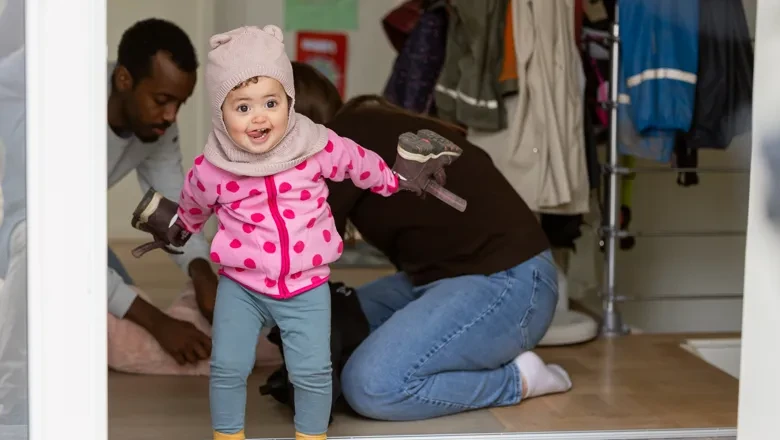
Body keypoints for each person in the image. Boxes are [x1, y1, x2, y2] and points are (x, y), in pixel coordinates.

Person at [146, 25, 446, 440]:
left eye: (271, 102)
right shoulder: (211, 169)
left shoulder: (316, 146)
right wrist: (179, 229)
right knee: (228, 366)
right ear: (220, 113)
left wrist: (395, 180)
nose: (259, 117)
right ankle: (227, 435)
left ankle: (311, 435)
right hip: (242, 286)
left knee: (312, 371)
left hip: (305, 285)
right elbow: (193, 207)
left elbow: (359, 163)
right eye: (243, 107)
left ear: (288, 100)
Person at [291, 61, 574, 422]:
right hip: (449, 278)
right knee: (339, 319)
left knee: (371, 386)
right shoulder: (366, 123)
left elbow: (296, 251)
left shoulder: (340, 141)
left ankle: (518, 380)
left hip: (509, 283)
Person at [0, 16, 219, 386]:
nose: (171, 116)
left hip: (67, 235)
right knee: (101, 322)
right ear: (124, 80)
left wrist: (201, 271)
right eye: (162, 100)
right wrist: (159, 322)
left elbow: (167, 209)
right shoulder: (65, 111)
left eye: (179, 103)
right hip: (24, 236)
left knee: (117, 317)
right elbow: (58, 244)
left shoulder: (156, 127)